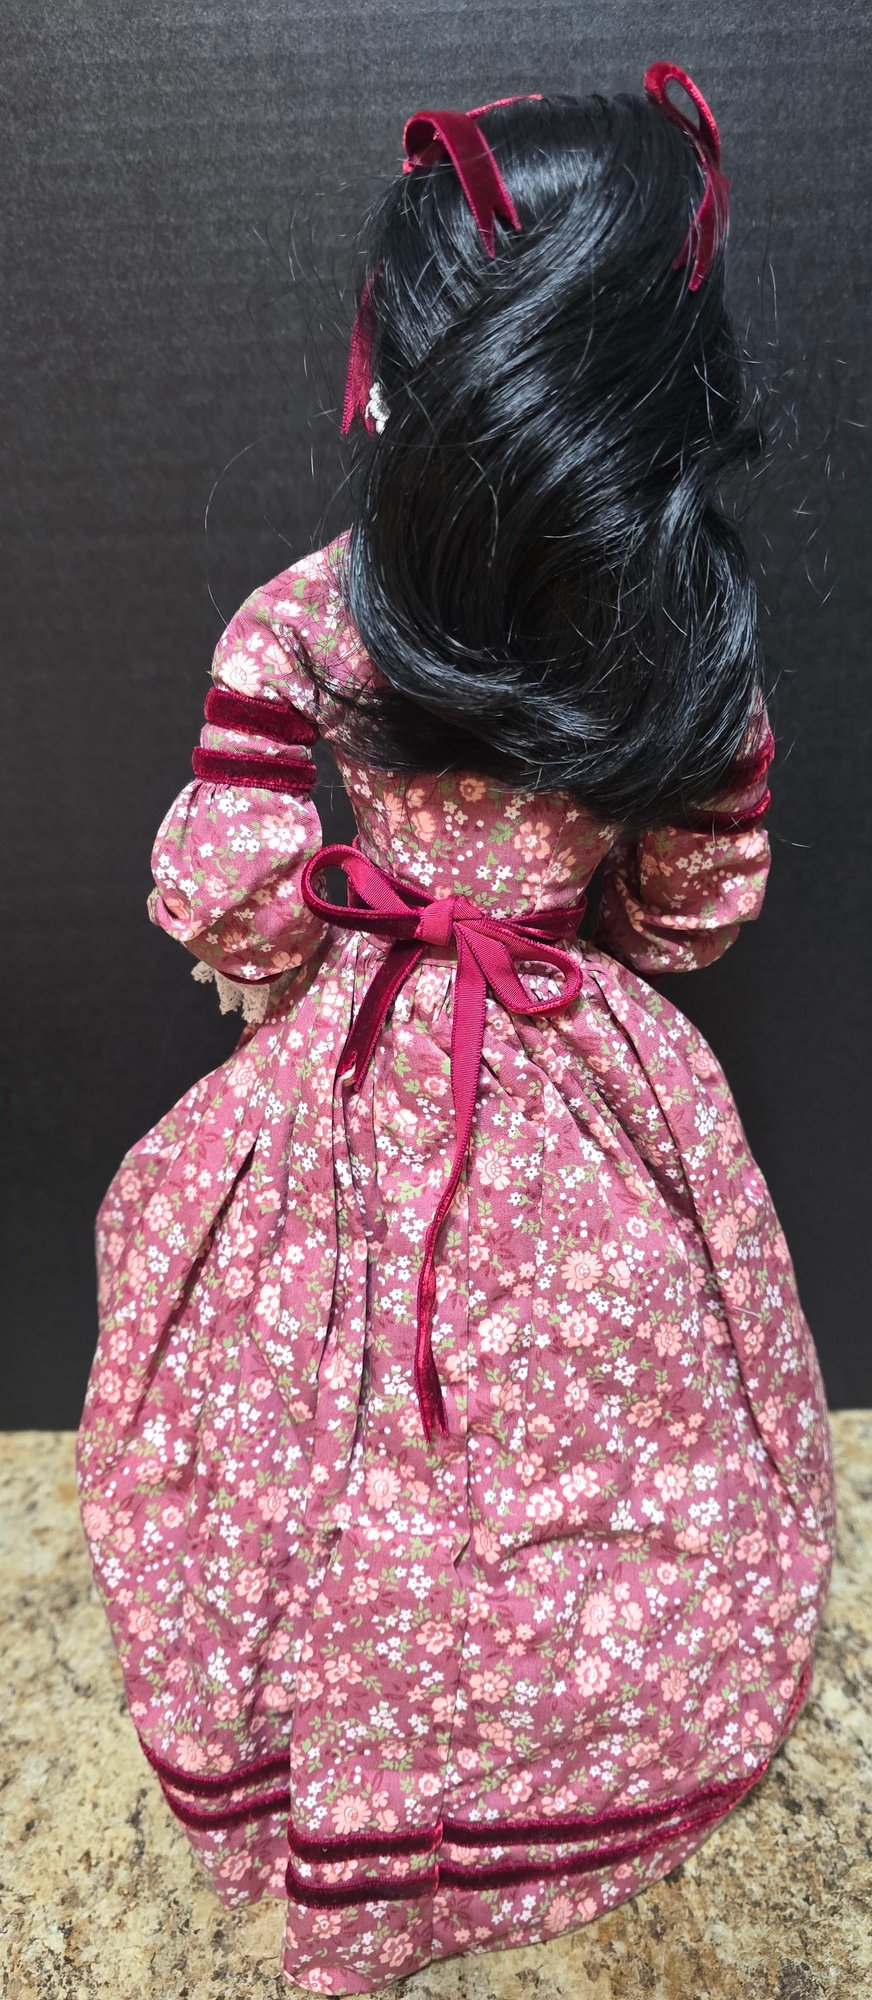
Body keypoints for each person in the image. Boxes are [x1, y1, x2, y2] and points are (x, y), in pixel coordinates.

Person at [76, 63, 836, 1997]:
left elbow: (241, 879)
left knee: (311, 1405)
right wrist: (561, 905)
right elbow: (690, 909)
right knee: (605, 1425)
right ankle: (561, 1733)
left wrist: (299, 941)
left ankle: (372, 1751)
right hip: (568, 1036)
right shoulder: (681, 644)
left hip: (374, 1039)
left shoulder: (327, 611)